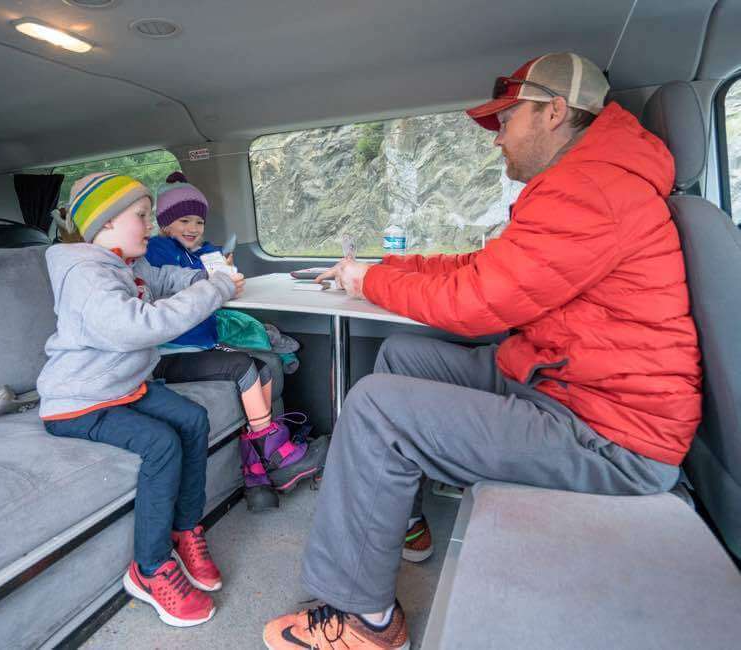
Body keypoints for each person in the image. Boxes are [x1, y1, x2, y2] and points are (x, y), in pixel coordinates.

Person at [263, 52, 702, 649]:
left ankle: (362, 620)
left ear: (553, 112)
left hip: (608, 436)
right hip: (565, 386)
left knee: (374, 406)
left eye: (507, 120)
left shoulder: (591, 190)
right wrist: (384, 267)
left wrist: (368, 283)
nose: (497, 139)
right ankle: (398, 523)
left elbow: (477, 300)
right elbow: (483, 267)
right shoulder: (591, 178)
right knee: (402, 356)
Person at [37, 172, 244, 628]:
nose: (149, 226)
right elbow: (140, 326)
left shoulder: (124, 262)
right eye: (142, 217)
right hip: (79, 400)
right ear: (107, 223)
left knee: (191, 418)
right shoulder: (87, 275)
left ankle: (186, 529)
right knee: (161, 443)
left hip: (121, 388)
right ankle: (149, 569)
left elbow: (165, 277)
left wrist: (212, 275)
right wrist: (216, 290)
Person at [146, 172, 329, 512]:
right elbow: (170, 281)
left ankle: (255, 474)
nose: (193, 227)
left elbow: (220, 274)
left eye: (199, 221)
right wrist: (206, 273)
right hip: (168, 354)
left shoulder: (205, 252)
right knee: (243, 366)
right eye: (183, 220)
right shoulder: (157, 251)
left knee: (263, 366)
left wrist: (223, 266)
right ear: (165, 224)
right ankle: (278, 454)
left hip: (201, 347)